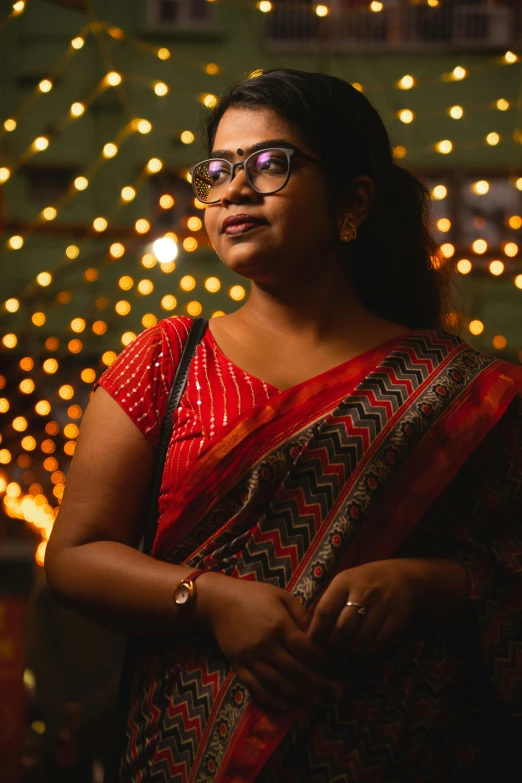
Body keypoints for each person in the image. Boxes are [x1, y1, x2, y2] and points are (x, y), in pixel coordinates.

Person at [44, 68, 522, 782]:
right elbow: (74, 558)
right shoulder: (168, 360)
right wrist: (209, 599)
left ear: (352, 200)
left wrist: (423, 584)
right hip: (185, 754)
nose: (235, 188)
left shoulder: (466, 389)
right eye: (218, 170)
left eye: (270, 164)